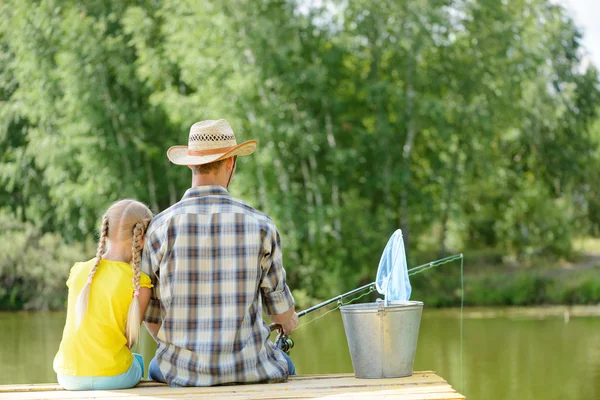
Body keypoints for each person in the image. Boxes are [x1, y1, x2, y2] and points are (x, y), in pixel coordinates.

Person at [142, 119, 298, 387]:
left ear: (191, 163)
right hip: (251, 369)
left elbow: (151, 318)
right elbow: (281, 315)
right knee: (287, 365)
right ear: (230, 163)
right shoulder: (261, 225)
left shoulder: (159, 228)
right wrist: (289, 321)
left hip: (180, 372)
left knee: (156, 363)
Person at [53, 200, 153, 390]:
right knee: (137, 362)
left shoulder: (79, 271)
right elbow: (129, 340)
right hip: (114, 377)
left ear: (105, 231)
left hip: (68, 376)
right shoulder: (140, 283)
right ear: (142, 239)